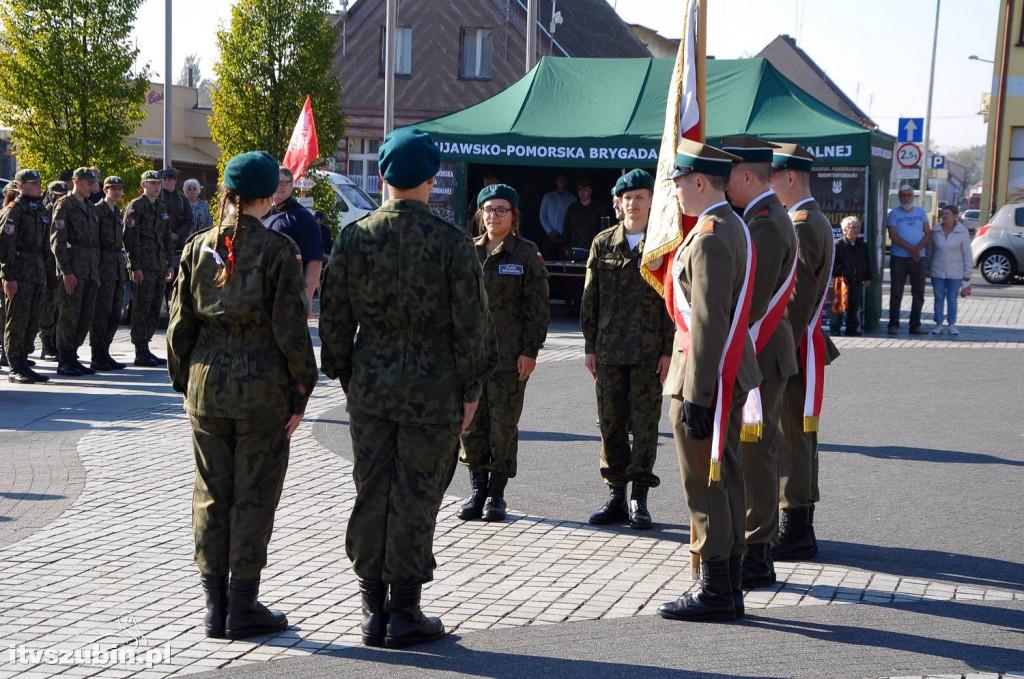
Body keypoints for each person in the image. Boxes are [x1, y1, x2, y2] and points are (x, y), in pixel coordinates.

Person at [319, 128, 497, 649]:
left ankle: (373, 611)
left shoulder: (355, 237)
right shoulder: (452, 243)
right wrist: (472, 389)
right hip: (434, 388)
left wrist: (349, 374)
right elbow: (473, 326)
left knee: (372, 489)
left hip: (371, 385)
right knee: (417, 497)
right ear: (430, 178)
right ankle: (405, 612)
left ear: (382, 178)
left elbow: (332, 321)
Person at [167, 150, 317, 641]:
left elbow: (178, 329)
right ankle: (242, 604)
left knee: (211, 492)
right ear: (268, 193)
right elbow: (292, 330)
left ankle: (213, 607)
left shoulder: (196, 246)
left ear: (227, 192)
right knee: (253, 494)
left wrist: (183, 382)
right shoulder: (278, 250)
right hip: (262, 389)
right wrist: (302, 391)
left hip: (207, 387)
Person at [657, 140, 759, 623]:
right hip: (720, 370)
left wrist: (697, 395)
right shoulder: (725, 227)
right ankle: (728, 580)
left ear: (698, 182)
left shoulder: (714, 235)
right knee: (727, 475)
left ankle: (716, 587)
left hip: (705, 376)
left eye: (678, 182)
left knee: (708, 480)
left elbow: (707, 322)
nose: (674, 191)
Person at [719, 135, 798, 590]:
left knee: (755, 454)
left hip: (761, 350)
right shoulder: (758, 216)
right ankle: (753, 548)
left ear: (747, 175)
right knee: (755, 452)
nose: (722, 185)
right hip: (762, 350)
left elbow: (753, 299)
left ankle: (756, 552)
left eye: (727, 176)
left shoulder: (765, 222)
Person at [581, 169, 674, 531]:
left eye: (639, 196)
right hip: (608, 351)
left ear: (652, 200)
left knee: (646, 425)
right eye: (627, 197)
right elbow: (591, 299)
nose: (633, 203)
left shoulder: (663, 243)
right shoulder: (603, 243)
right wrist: (589, 346)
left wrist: (669, 349)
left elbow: (672, 299)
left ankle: (639, 499)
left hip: (650, 352)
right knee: (611, 425)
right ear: (618, 202)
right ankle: (616, 496)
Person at [457, 184, 549, 523]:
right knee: (471, 425)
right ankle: (477, 489)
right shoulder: (467, 251)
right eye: (489, 209)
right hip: (470, 358)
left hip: (510, 359)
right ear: (480, 214)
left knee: (503, 426)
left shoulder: (526, 254)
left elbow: (537, 308)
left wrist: (530, 351)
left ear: (514, 216)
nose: (493, 216)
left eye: (501, 210)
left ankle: (496, 494)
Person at [769, 143, 841, 561]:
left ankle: (794, 529)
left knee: (792, 437)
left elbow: (794, 300)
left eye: (773, 176)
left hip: (792, 346)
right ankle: (799, 525)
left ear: (790, 178)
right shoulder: (813, 219)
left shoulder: (800, 224)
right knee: (800, 435)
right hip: (801, 343)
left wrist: (772, 353)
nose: (768, 183)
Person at [1, 169, 52, 384]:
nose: (39, 185)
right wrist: (8, 276)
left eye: (39, 182)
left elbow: (45, 246)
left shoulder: (39, 209)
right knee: (17, 320)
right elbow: (4, 247)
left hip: (37, 273)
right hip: (19, 274)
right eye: (33, 183)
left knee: (32, 320)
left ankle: (24, 361)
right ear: (20, 186)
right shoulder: (14, 210)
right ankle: (14, 365)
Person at [51, 167, 101, 377]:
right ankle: (64, 359)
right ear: (76, 182)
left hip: (89, 269)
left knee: (84, 316)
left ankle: (73, 355)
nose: (92, 187)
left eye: (93, 183)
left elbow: (94, 242)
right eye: (88, 183)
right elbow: (57, 242)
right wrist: (66, 272)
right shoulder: (65, 205)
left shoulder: (90, 208)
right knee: (69, 316)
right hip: (73, 269)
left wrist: (96, 272)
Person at [123, 170, 173, 367]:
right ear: (143, 185)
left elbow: (167, 236)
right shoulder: (136, 206)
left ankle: (147, 346)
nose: (156, 186)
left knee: (154, 308)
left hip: (159, 264)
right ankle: (139, 350)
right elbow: (129, 238)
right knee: (141, 308)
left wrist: (169, 263)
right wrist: (134, 266)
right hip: (143, 265)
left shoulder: (161, 205)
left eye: (158, 183)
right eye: (152, 183)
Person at [263, 166, 323, 313]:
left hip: (290, 299)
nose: (278, 187)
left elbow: (315, 260)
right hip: (263, 297)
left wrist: (307, 297)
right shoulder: (263, 214)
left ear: (291, 185)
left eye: (283, 183)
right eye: (275, 182)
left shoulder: (303, 218)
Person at [88, 176, 129, 371]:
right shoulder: (98, 210)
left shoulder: (117, 212)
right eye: (113, 188)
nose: (117, 192)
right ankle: (97, 354)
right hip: (103, 266)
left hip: (117, 268)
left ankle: (105, 351)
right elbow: (93, 242)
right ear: (105, 190)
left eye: (120, 188)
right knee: (101, 312)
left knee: (115, 313)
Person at [886, 185, 931, 335]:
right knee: (896, 292)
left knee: (918, 293)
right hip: (899, 258)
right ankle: (893, 325)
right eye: (903, 195)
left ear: (913, 196)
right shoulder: (894, 214)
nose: (906, 198)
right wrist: (912, 250)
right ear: (899, 197)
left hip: (919, 258)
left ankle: (915, 325)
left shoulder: (921, 212)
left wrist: (917, 250)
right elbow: (893, 235)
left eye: (909, 195)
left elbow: (928, 234)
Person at [927, 205, 972, 335]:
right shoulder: (935, 231)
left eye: (948, 214)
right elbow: (930, 251)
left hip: (955, 272)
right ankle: (938, 324)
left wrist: (967, 272)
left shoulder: (962, 232)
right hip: (937, 270)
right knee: (938, 298)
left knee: (952, 299)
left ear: (955, 216)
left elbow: (967, 253)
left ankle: (952, 324)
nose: (945, 216)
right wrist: (927, 267)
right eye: (943, 213)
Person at [37, 181, 68, 361]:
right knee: (48, 306)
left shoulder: (64, 211)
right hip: (46, 266)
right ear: (50, 195)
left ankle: (56, 342)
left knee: (59, 306)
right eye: (57, 195)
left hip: (60, 266)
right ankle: (46, 344)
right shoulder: (44, 213)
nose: (60, 198)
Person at [831, 216, 872, 336]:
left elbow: (867, 262)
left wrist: (868, 277)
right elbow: (833, 263)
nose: (856, 230)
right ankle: (835, 329)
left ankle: (852, 329)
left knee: (854, 307)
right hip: (842, 281)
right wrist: (842, 272)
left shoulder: (862, 245)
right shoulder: (838, 245)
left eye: (858, 227)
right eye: (852, 227)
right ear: (844, 229)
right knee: (839, 307)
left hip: (857, 281)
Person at [161, 167, 196, 307]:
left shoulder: (182, 199)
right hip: (160, 242)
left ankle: (173, 305)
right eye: (164, 179)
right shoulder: (157, 197)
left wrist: (178, 235)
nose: (166, 182)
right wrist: (166, 235)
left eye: (169, 179)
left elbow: (189, 220)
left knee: (175, 277)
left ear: (175, 181)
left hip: (177, 244)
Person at [562, 177, 609, 257]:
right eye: (580, 190)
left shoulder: (599, 208)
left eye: (585, 190)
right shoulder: (573, 208)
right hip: (574, 249)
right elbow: (566, 228)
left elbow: (604, 230)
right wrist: (566, 247)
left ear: (590, 190)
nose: (582, 193)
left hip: (593, 249)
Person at [539, 173, 577, 260]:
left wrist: (560, 232)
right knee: (548, 263)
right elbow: (542, 215)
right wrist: (550, 231)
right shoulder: (548, 196)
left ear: (567, 183)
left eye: (564, 180)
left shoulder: (572, 199)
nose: (562, 182)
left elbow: (573, 219)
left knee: (564, 263)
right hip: (548, 236)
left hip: (564, 238)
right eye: (560, 180)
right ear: (556, 182)